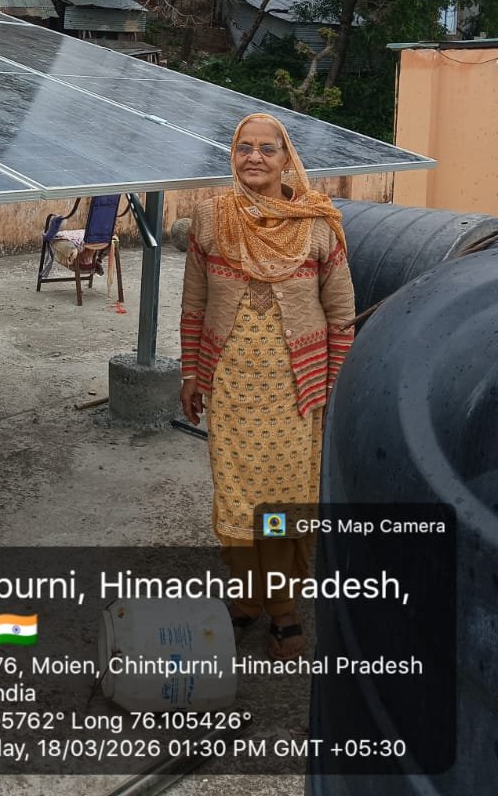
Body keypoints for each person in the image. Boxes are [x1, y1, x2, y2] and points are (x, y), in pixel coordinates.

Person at [179, 112, 355, 656]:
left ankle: (282, 608)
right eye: (244, 147)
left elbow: (341, 313)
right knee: (234, 498)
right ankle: (246, 599)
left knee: (282, 501)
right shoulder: (210, 217)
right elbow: (194, 302)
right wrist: (190, 372)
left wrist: (334, 386)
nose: (253, 157)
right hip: (230, 385)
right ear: (233, 155)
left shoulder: (317, 223)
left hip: (295, 391)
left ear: (286, 158)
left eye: (266, 148)